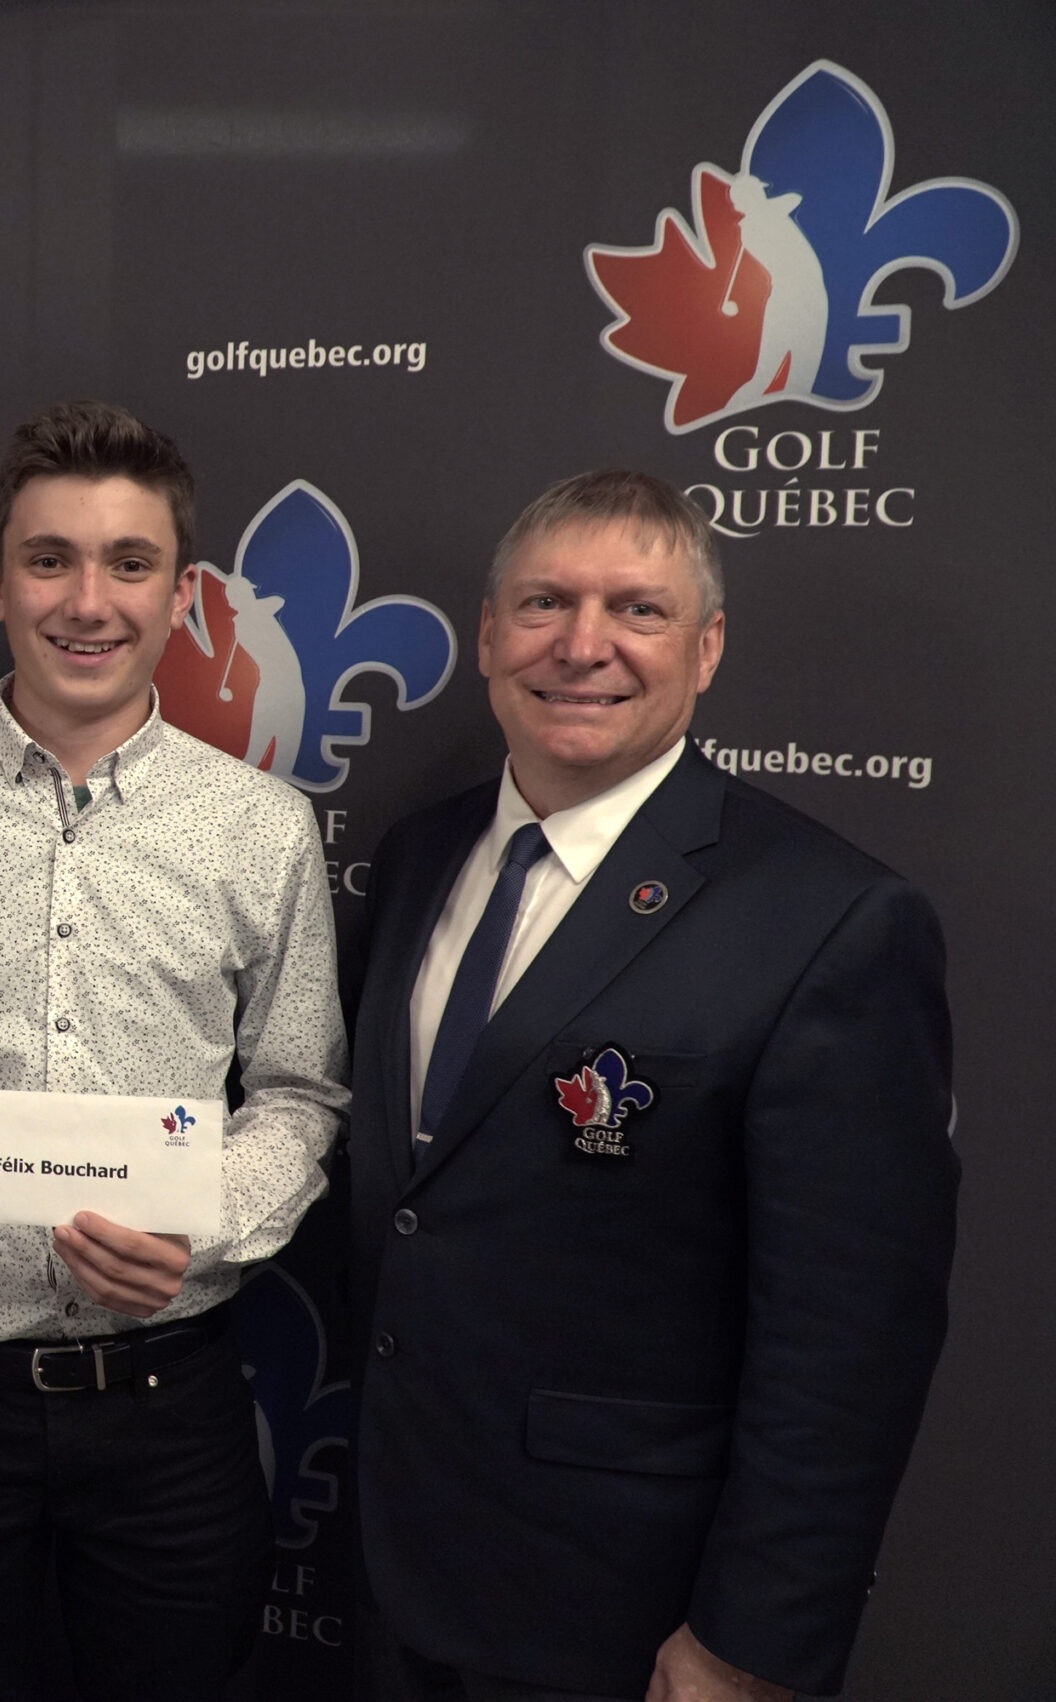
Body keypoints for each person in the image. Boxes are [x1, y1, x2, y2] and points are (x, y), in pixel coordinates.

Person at [347, 471, 957, 1702]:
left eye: (637, 609)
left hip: (625, 1614)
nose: (582, 645)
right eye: (543, 604)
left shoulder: (828, 917)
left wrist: (753, 1638)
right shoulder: (417, 858)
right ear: (484, 633)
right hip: (390, 1568)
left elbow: (848, 1340)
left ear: (707, 646)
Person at [0, 400, 349, 1701]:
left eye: (129, 562)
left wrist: (203, 1224)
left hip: (171, 1399)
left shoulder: (262, 829)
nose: (88, 599)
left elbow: (296, 1093)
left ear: (181, 591)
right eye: (51, 558)